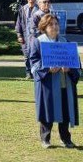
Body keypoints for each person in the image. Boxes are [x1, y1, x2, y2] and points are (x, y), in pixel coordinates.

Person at [28, 13, 80, 148]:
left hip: (64, 83)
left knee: (65, 111)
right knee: (47, 111)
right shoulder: (38, 42)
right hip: (48, 84)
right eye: (51, 24)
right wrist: (47, 69)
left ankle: (66, 139)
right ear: (44, 27)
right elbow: (33, 62)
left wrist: (70, 68)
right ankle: (45, 139)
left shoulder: (65, 42)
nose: (54, 27)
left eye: (56, 24)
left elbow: (76, 63)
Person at [14, 0, 36, 78]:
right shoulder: (22, 9)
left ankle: (35, 72)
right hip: (25, 36)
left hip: (36, 37)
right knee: (27, 55)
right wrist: (19, 35)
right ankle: (28, 72)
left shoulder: (39, 9)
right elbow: (18, 23)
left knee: (35, 55)